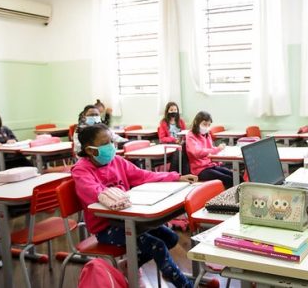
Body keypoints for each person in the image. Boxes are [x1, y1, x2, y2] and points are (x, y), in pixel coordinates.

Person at [71, 124, 198, 287]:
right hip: (106, 228)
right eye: (105, 143)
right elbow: (94, 192)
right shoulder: (81, 170)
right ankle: (185, 285)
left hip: (130, 220)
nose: (111, 146)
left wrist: (175, 177)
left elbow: (143, 175)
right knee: (156, 246)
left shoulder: (117, 161)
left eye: (111, 141)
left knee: (170, 237)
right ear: (90, 150)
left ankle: (131, 265)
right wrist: (112, 196)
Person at [185, 111, 234, 189]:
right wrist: (217, 149)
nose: (207, 127)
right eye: (204, 124)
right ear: (196, 122)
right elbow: (197, 153)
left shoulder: (207, 135)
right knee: (229, 179)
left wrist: (218, 161)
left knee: (235, 175)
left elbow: (211, 151)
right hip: (200, 170)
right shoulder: (191, 136)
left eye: (209, 125)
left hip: (210, 165)